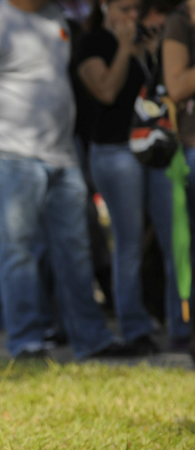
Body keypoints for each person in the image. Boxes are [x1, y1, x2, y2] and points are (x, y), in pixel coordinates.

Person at [0, 0, 133, 359]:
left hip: (61, 155)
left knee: (76, 250)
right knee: (18, 250)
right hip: (10, 156)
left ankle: (91, 340)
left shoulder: (54, 17)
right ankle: (27, 341)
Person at [76, 0, 171, 354]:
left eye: (136, 9)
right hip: (115, 152)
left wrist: (149, 53)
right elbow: (106, 91)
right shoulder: (94, 42)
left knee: (171, 237)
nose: (132, 17)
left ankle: (179, 324)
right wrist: (124, 48)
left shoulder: (144, 42)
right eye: (124, 9)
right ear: (105, 7)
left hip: (155, 148)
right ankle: (134, 327)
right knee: (127, 242)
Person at [162, 0, 195, 350]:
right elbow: (177, 86)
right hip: (190, 148)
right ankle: (183, 329)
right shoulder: (180, 23)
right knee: (184, 246)